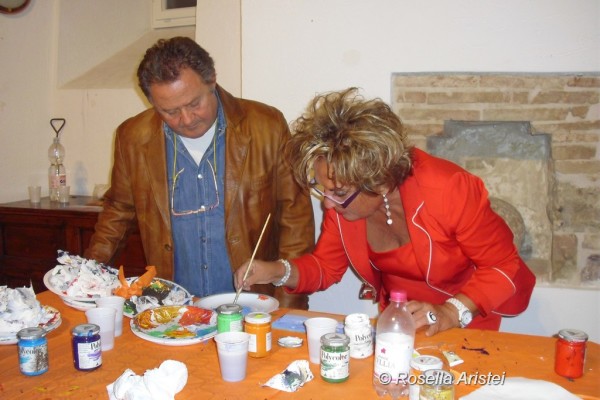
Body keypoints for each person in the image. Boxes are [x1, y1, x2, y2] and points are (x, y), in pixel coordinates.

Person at [235, 87, 536, 335]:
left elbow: (502, 266)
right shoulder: (343, 204)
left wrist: (450, 311)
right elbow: (326, 267)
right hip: (401, 318)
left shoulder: (448, 189)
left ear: (379, 181)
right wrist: (276, 271)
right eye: (323, 190)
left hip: (465, 313)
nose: (327, 204)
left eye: (338, 193)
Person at [84, 37, 315, 309]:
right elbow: (118, 212)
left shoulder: (266, 126)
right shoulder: (132, 137)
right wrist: (86, 278)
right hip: (174, 309)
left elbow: (295, 221)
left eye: (194, 103)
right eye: (170, 111)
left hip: (255, 306)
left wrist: (285, 309)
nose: (186, 119)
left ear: (212, 81)